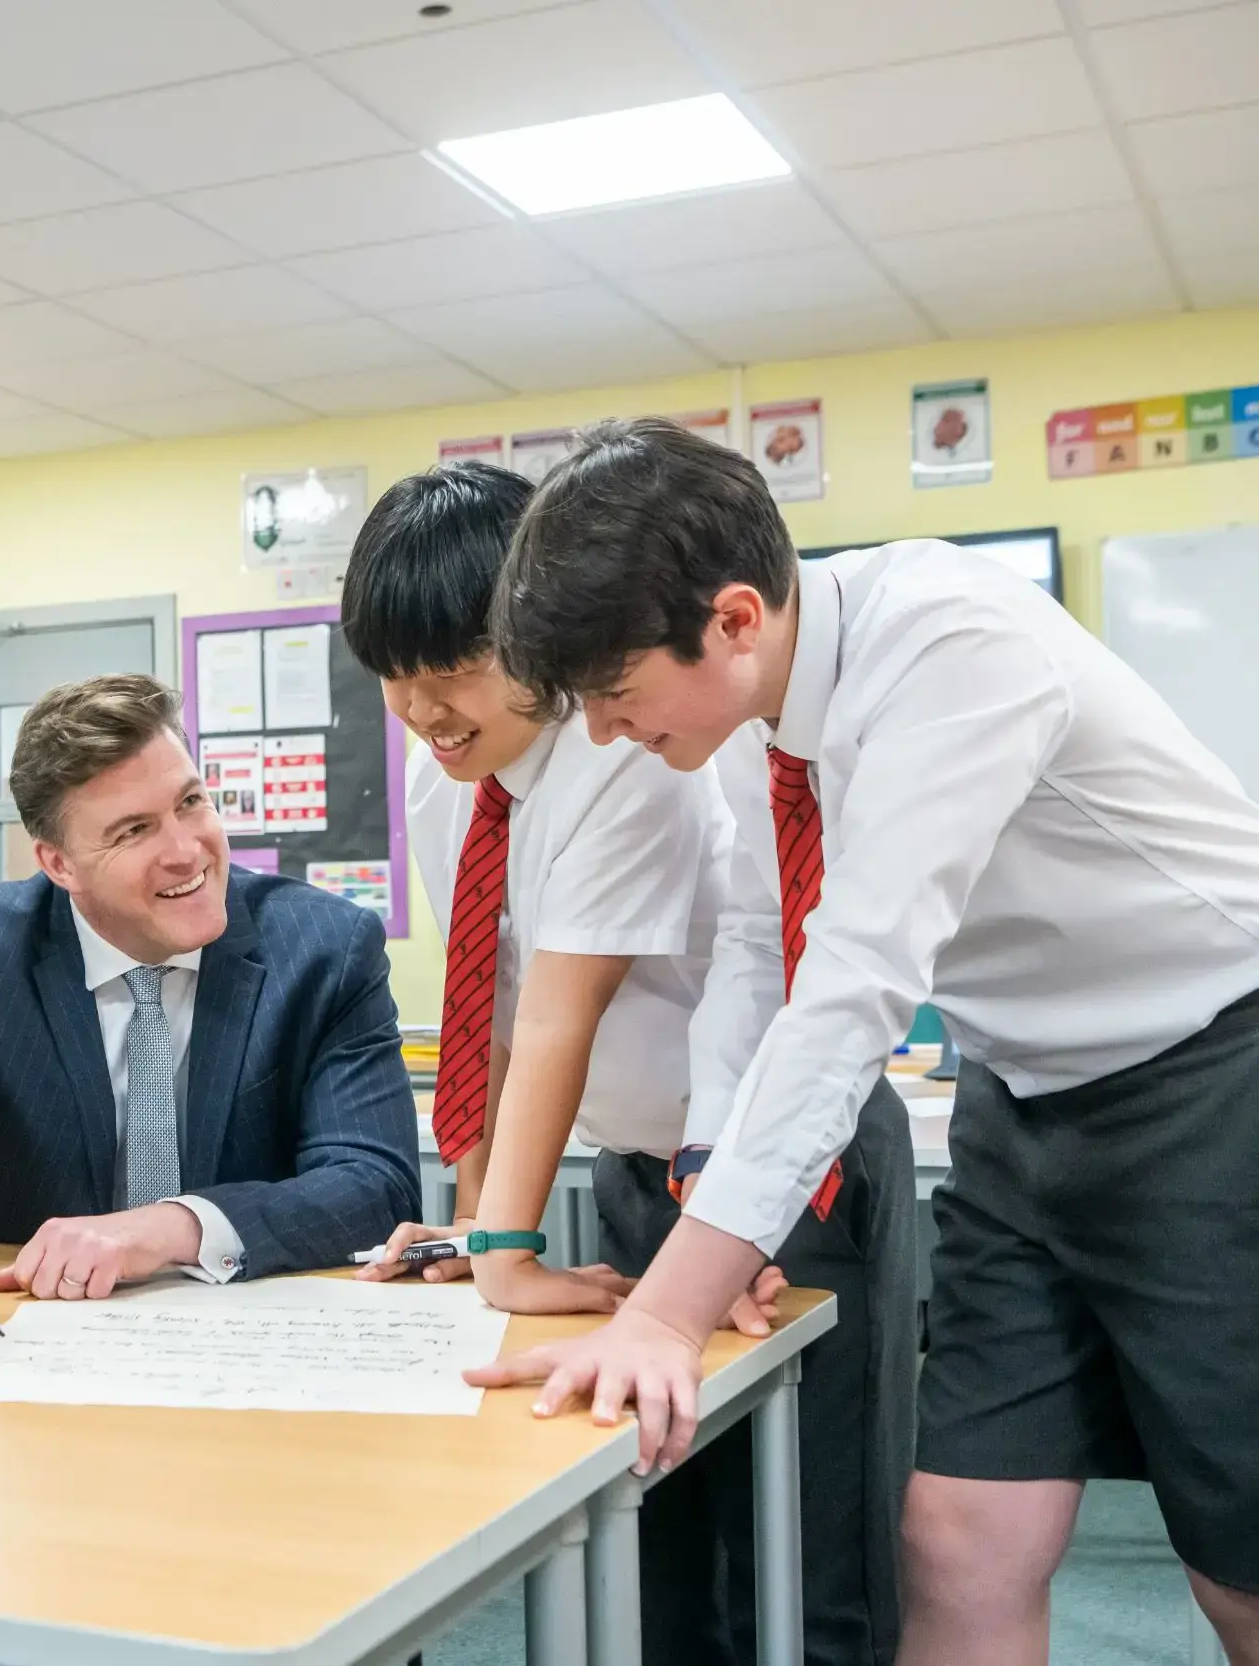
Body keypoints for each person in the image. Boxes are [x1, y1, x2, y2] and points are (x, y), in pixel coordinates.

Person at [486, 416, 1259, 1666]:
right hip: (1028, 1098)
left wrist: (666, 1313)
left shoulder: (952, 640)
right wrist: (710, 1193)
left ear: (734, 617)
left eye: (617, 698)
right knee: (953, 1536)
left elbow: (854, 989)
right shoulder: (743, 720)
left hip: (1230, 1075)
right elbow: (754, 951)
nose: (611, 736)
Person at [344, 460, 907, 1666]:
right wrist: (467, 1223)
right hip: (633, 1177)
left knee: (806, 1558)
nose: (424, 708)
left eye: (457, 668)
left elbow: (563, 1010)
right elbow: (484, 1014)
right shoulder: (448, 770)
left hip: (781, 1177)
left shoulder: (622, 750)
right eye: (395, 677)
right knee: (653, 1535)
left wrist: (501, 1246)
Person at [0, 674, 418, 1350]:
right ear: (59, 863)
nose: (186, 850)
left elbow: (374, 1186)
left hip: (255, 1344)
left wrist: (167, 1227)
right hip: (21, 1338)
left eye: (191, 802)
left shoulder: (325, 949)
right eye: (135, 830)